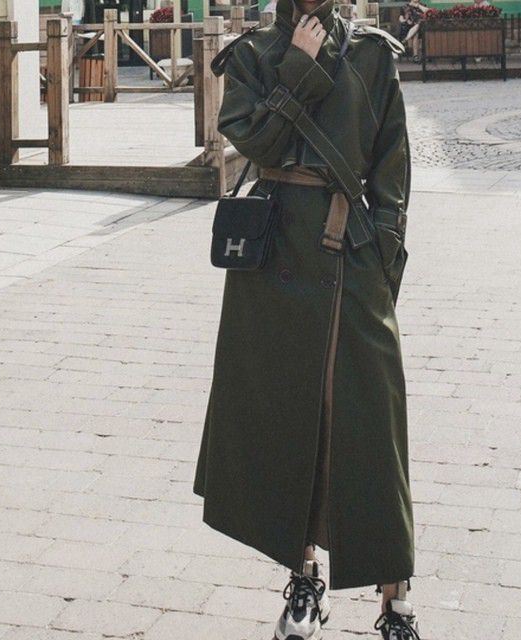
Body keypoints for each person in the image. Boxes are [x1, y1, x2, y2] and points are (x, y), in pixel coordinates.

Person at [193, 0, 419, 638]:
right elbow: (256, 143)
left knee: (373, 427)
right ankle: (304, 577)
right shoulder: (252, 56)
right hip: (273, 263)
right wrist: (298, 68)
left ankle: (396, 598)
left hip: (352, 252)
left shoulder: (372, 55)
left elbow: (393, 165)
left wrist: (385, 256)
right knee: (287, 422)